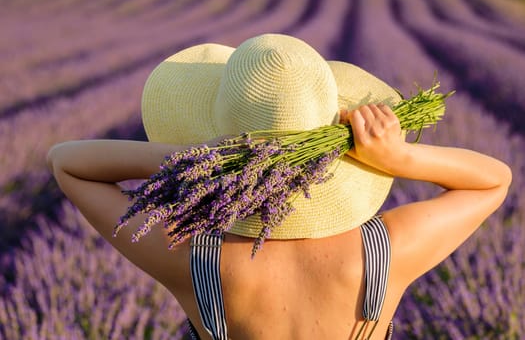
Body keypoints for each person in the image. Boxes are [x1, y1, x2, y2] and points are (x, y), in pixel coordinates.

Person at [47, 34, 511, 340]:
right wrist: (400, 157)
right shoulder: (386, 252)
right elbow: (493, 181)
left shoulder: (193, 261)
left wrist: (200, 160)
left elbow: (67, 163)